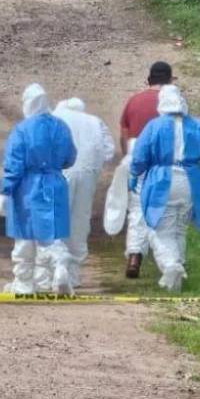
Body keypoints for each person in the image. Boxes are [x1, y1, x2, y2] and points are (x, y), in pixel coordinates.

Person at [129, 85, 200, 292]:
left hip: (163, 181)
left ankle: (171, 265)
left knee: (159, 230)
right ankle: (177, 284)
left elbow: (140, 155)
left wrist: (134, 174)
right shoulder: (197, 126)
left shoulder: (154, 126)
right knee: (179, 229)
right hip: (191, 182)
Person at [0, 84, 77, 295]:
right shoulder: (61, 126)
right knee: (51, 232)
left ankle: (23, 283)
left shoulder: (22, 130)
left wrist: (5, 191)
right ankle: (60, 265)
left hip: (28, 186)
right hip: (56, 183)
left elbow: (14, 164)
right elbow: (70, 158)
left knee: (25, 235)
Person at [52, 97, 115, 292]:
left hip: (60, 172)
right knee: (79, 221)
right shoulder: (94, 121)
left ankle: (57, 266)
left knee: (55, 219)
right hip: (87, 173)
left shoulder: (53, 118)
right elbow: (109, 151)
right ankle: (74, 274)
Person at [120, 60, 173, 279]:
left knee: (137, 210)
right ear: (170, 81)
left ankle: (134, 256)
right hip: (164, 161)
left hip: (137, 159)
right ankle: (170, 262)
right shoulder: (173, 102)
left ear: (149, 80)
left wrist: (129, 160)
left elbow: (124, 136)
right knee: (167, 212)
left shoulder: (134, 101)